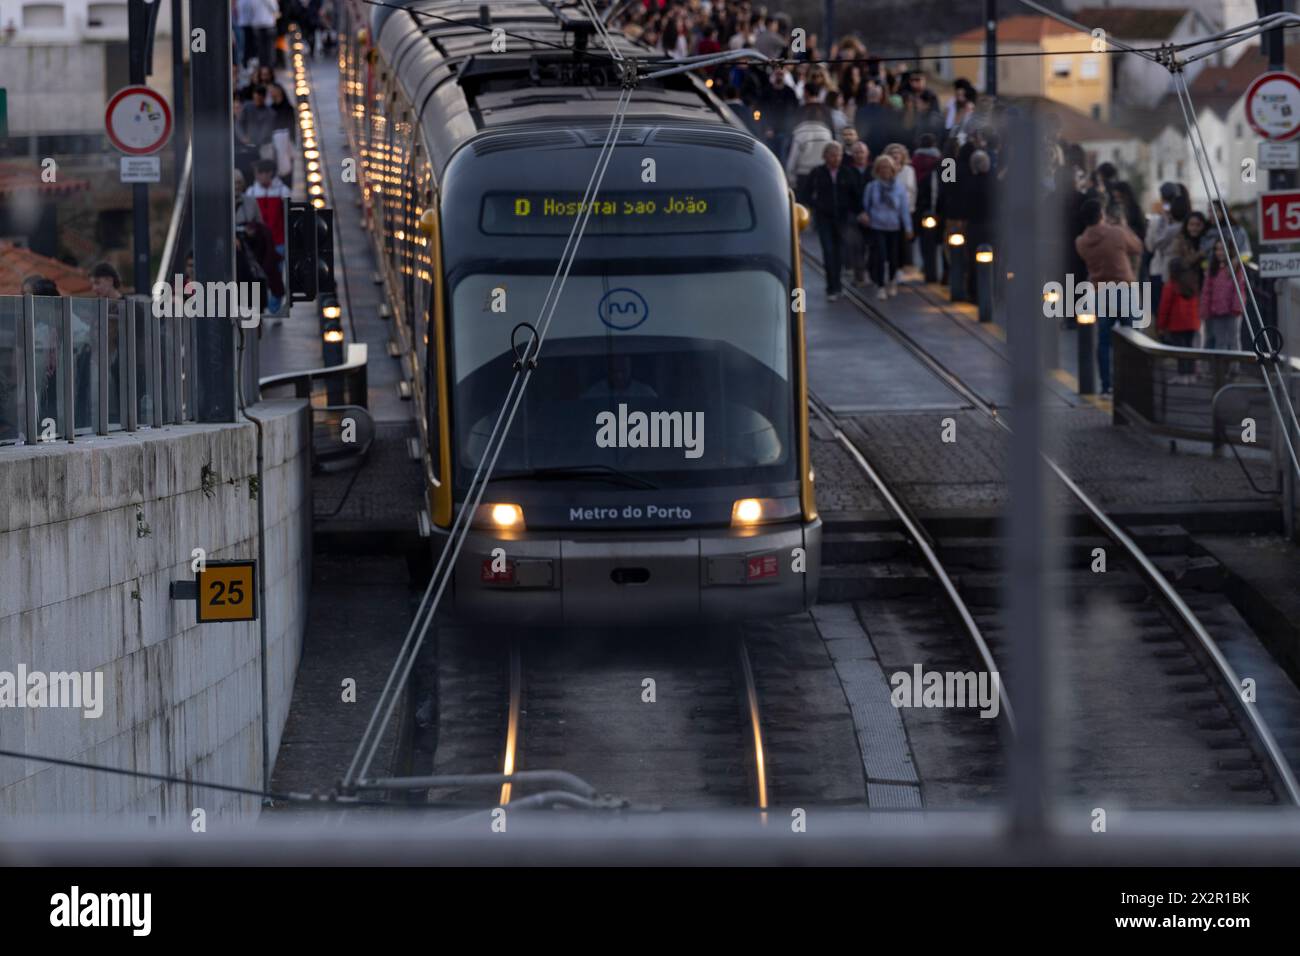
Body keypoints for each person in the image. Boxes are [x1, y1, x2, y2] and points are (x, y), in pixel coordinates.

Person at [1075, 198, 1142, 393]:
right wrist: (1124, 227)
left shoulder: (1080, 242)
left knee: (1104, 341)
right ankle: (1131, 383)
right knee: (1131, 337)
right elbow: (1137, 246)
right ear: (1101, 215)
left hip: (1101, 291)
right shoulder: (1117, 233)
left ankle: (1107, 385)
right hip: (1124, 289)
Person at [858, 154, 912, 299]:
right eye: (882, 168)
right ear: (877, 170)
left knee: (893, 257)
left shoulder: (899, 188)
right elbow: (866, 206)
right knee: (880, 256)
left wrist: (908, 228)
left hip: (894, 227)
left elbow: (904, 210)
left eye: (888, 168)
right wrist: (865, 216)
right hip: (877, 226)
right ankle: (880, 285)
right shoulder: (872, 187)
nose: (885, 171)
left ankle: (892, 281)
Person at [807, 142, 849, 300]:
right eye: (832, 155)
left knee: (840, 253)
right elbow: (806, 193)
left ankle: (838, 284)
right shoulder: (817, 173)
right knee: (828, 252)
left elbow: (855, 193)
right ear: (825, 156)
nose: (836, 158)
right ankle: (831, 287)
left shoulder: (846, 172)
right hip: (824, 219)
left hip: (842, 219)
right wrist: (817, 206)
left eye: (838, 155)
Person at [1145, 182, 1188, 310]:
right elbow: (1151, 246)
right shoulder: (1158, 221)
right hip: (1160, 270)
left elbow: (1152, 245)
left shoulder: (1185, 223)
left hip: (1174, 272)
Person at [1157, 257, 1201, 382]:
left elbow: (1164, 307)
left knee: (1180, 350)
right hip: (1192, 322)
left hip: (1177, 323)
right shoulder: (1191, 282)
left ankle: (1182, 374)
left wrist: (1161, 326)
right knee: (1190, 348)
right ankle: (1191, 374)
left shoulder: (1171, 285)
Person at [785, 94, 834, 204]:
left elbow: (793, 158)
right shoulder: (827, 134)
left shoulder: (799, 134)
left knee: (803, 206)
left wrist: (791, 180)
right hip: (822, 174)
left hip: (803, 176)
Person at [1200, 239, 1245, 352]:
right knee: (1220, 341)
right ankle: (1222, 367)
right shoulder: (1212, 268)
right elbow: (1207, 290)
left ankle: (1234, 367)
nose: (1220, 252)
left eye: (1223, 249)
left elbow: (1239, 288)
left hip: (1233, 311)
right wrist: (1205, 309)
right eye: (1217, 249)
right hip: (1217, 310)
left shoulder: (1236, 268)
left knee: (1233, 339)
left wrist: (1237, 307)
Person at [841, 141, 872, 287]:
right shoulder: (847, 171)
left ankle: (871, 273)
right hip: (853, 214)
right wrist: (859, 212)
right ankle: (859, 276)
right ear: (852, 155)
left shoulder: (874, 170)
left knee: (872, 246)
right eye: (857, 152)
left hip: (873, 213)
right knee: (856, 245)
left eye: (862, 152)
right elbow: (846, 195)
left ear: (867, 154)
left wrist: (869, 212)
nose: (860, 155)